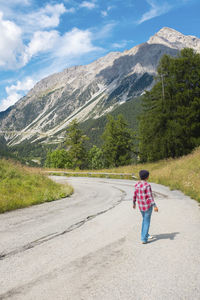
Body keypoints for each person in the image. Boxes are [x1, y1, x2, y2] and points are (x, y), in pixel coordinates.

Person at [133, 169, 158, 244]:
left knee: (144, 220)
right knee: (146, 222)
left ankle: (146, 234)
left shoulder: (137, 184)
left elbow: (135, 194)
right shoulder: (147, 185)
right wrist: (155, 206)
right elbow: (150, 197)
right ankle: (144, 239)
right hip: (147, 206)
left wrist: (134, 202)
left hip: (141, 206)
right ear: (147, 177)